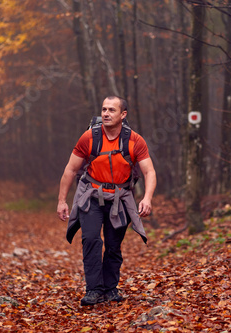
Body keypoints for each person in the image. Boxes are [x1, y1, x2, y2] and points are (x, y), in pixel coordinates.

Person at [57, 96, 156, 306]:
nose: (106, 113)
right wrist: (62, 201)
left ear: (123, 115)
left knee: (113, 245)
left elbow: (149, 171)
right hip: (91, 196)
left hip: (120, 199)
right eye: (104, 109)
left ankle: (110, 288)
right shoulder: (89, 137)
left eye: (112, 110)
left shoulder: (135, 141)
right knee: (91, 240)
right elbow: (70, 169)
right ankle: (93, 290)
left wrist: (147, 198)